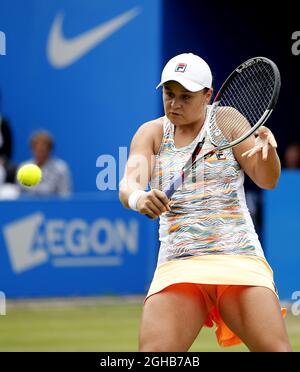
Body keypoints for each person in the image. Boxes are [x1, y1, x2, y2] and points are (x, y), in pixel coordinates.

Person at [119, 53, 291, 352]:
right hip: (180, 263)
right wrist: (139, 197)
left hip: (237, 256)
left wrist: (268, 154)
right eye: (169, 95)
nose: (175, 104)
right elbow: (129, 183)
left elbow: (267, 180)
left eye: (186, 97)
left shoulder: (227, 120)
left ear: (207, 95)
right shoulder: (152, 133)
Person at [19, 130, 72, 197]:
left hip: (54, 207)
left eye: (42, 150)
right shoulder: (23, 167)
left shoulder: (61, 168)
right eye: (36, 150)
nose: (39, 154)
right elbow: (19, 194)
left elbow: (65, 195)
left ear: (49, 150)